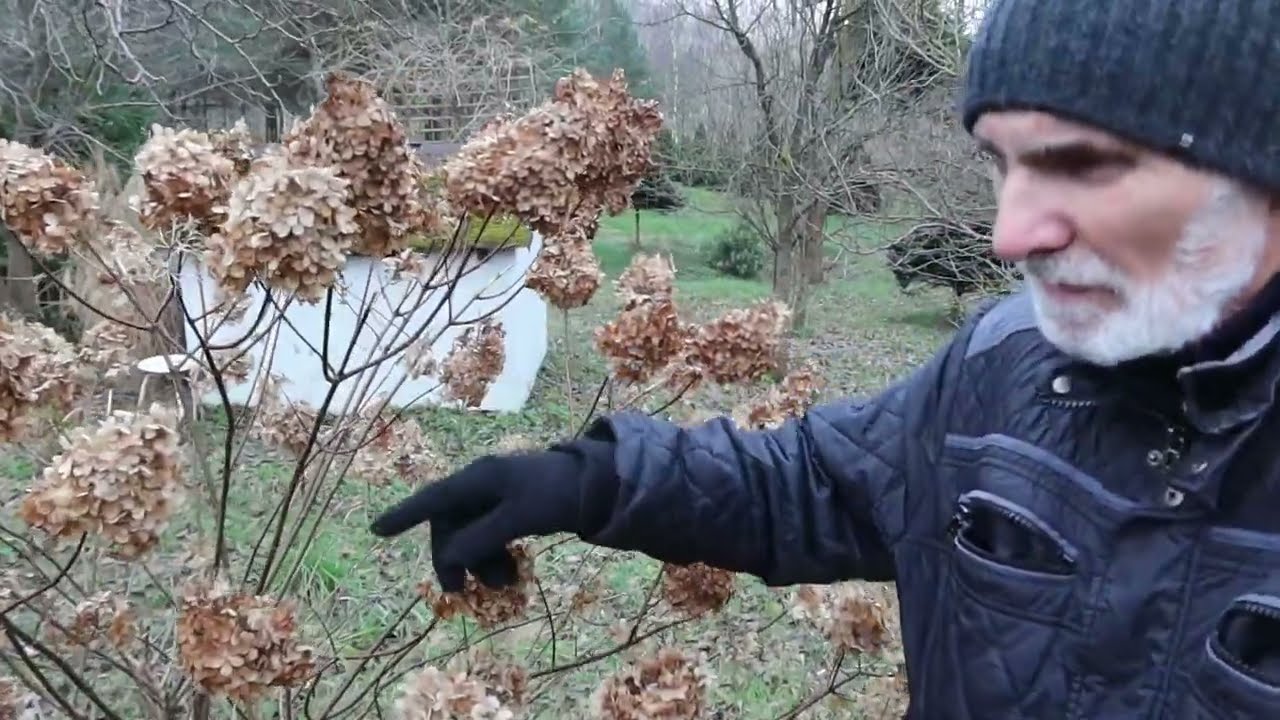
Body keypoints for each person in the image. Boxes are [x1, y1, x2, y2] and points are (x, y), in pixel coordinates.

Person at [371, 0, 1280, 716]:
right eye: (1002, 166)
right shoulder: (1005, 365)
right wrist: (588, 481)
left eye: (1082, 166)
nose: (1010, 235)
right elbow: (817, 481)